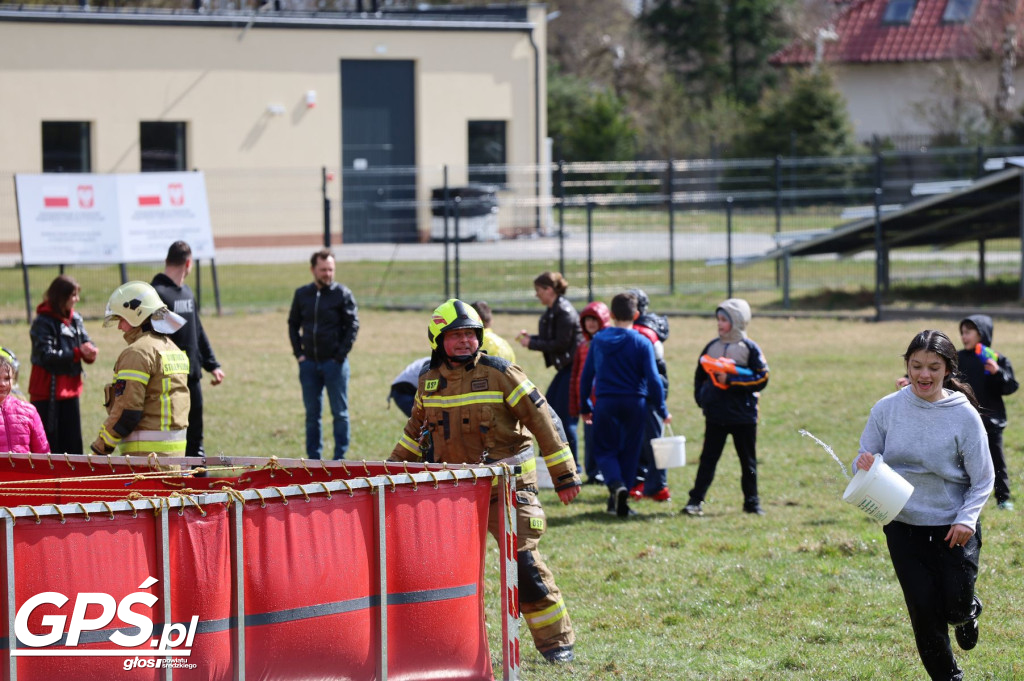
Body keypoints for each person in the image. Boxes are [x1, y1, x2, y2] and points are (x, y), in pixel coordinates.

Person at [390, 299, 580, 663]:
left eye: (469, 334)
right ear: (437, 339)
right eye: (455, 335)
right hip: (454, 495)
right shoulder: (428, 383)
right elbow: (415, 434)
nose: (464, 342)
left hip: (509, 491)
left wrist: (565, 475)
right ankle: (450, 647)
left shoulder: (502, 373)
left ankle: (557, 644)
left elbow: (545, 421)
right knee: (447, 573)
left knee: (524, 567)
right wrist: (389, 471)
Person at [856, 330, 993, 681]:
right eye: (916, 366)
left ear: (948, 369)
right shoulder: (887, 408)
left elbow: (983, 478)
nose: (924, 375)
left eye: (933, 367)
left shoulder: (963, 414)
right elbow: (868, 454)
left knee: (955, 605)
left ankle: (968, 612)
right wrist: (866, 465)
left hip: (953, 526)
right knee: (923, 610)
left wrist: (966, 519)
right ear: (906, 365)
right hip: (903, 524)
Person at [579, 292, 669, 518]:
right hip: (634, 403)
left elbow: (586, 375)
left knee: (605, 449)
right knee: (629, 452)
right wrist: (662, 409)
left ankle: (615, 486)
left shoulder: (598, 340)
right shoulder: (642, 342)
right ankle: (621, 499)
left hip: (606, 402)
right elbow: (654, 379)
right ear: (636, 315)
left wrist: (585, 405)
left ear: (610, 314)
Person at [683, 298, 769, 517]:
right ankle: (695, 500)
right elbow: (699, 375)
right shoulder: (712, 347)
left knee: (747, 461)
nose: (719, 324)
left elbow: (762, 378)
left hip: (744, 417)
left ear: (738, 321)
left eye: (724, 320)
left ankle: (752, 502)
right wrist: (702, 398)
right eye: (718, 319)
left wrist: (731, 379)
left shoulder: (749, 349)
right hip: (716, 416)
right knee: (708, 460)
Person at [90, 281, 190, 456]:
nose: (120, 326)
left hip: (145, 459)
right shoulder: (173, 349)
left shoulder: (137, 353)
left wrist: (101, 447)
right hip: (174, 459)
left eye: (121, 319)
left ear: (137, 314)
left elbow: (127, 412)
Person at [151, 241, 225, 458]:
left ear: (167, 260)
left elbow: (196, 330)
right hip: (169, 380)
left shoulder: (187, 292)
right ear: (189, 263)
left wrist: (212, 364)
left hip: (192, 376)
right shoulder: (157, 293)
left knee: (195, 436)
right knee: (174, 437)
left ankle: (199, 480)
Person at [288, 249, 359, 460]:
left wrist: (339, 356)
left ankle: (340, 459)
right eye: (323, 270)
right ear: (313, 270)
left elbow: (353, 326)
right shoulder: (302, 294)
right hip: (309, 364)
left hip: (334, 364)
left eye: (331, 269)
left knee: (340, 414)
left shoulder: (342, 294)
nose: (328, 274)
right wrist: (299, 354)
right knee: (312, 416)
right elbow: (293, 324)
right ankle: (313, 460)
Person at [516, 272, 584, 467]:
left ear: (549, 290)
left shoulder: (564, 311)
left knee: (563, 416)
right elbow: (554, 339)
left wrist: (532, 343)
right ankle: (556, 461)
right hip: (565, 369)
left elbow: (561, 343)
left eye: (538, 290)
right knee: (549, 410)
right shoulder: (554, 310)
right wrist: (532, 339)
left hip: (572, 369)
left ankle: (573, 465)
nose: (536, 294)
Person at [27, 275, 97, 454]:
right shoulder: (42, 322)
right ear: (61, 296)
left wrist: (90, 352)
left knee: (73, 444)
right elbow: (45, 355)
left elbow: (86, 342)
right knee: (48, 445)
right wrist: (77, 353)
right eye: (73, 295)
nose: (77, 299)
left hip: (70, 390)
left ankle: (73, 482)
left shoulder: (76, 319)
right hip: (46, 392)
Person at [628, 288, 672, 502]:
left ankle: (658, 487)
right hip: (640, 393)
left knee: (654, 441)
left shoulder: (644, 333)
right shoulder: (638, 330)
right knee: (639, 440)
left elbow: (654, 372)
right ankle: (641, 481)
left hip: (649, 393)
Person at [568, 300, 610, 485]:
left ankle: (604, 471)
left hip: (603, 401)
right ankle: (593, 472)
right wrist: (575, 401)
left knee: (605, 438)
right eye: (587, 320)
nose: (591, 323)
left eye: (595, 319)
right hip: (587, 403)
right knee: (590, 437)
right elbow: (576, 376)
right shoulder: (582, 346)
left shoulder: (608, 344)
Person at [1, 349, 50, 454]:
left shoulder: (28, 411)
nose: (3, 384)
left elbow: (44, 456)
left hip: (24, 471)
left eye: (7, 378)